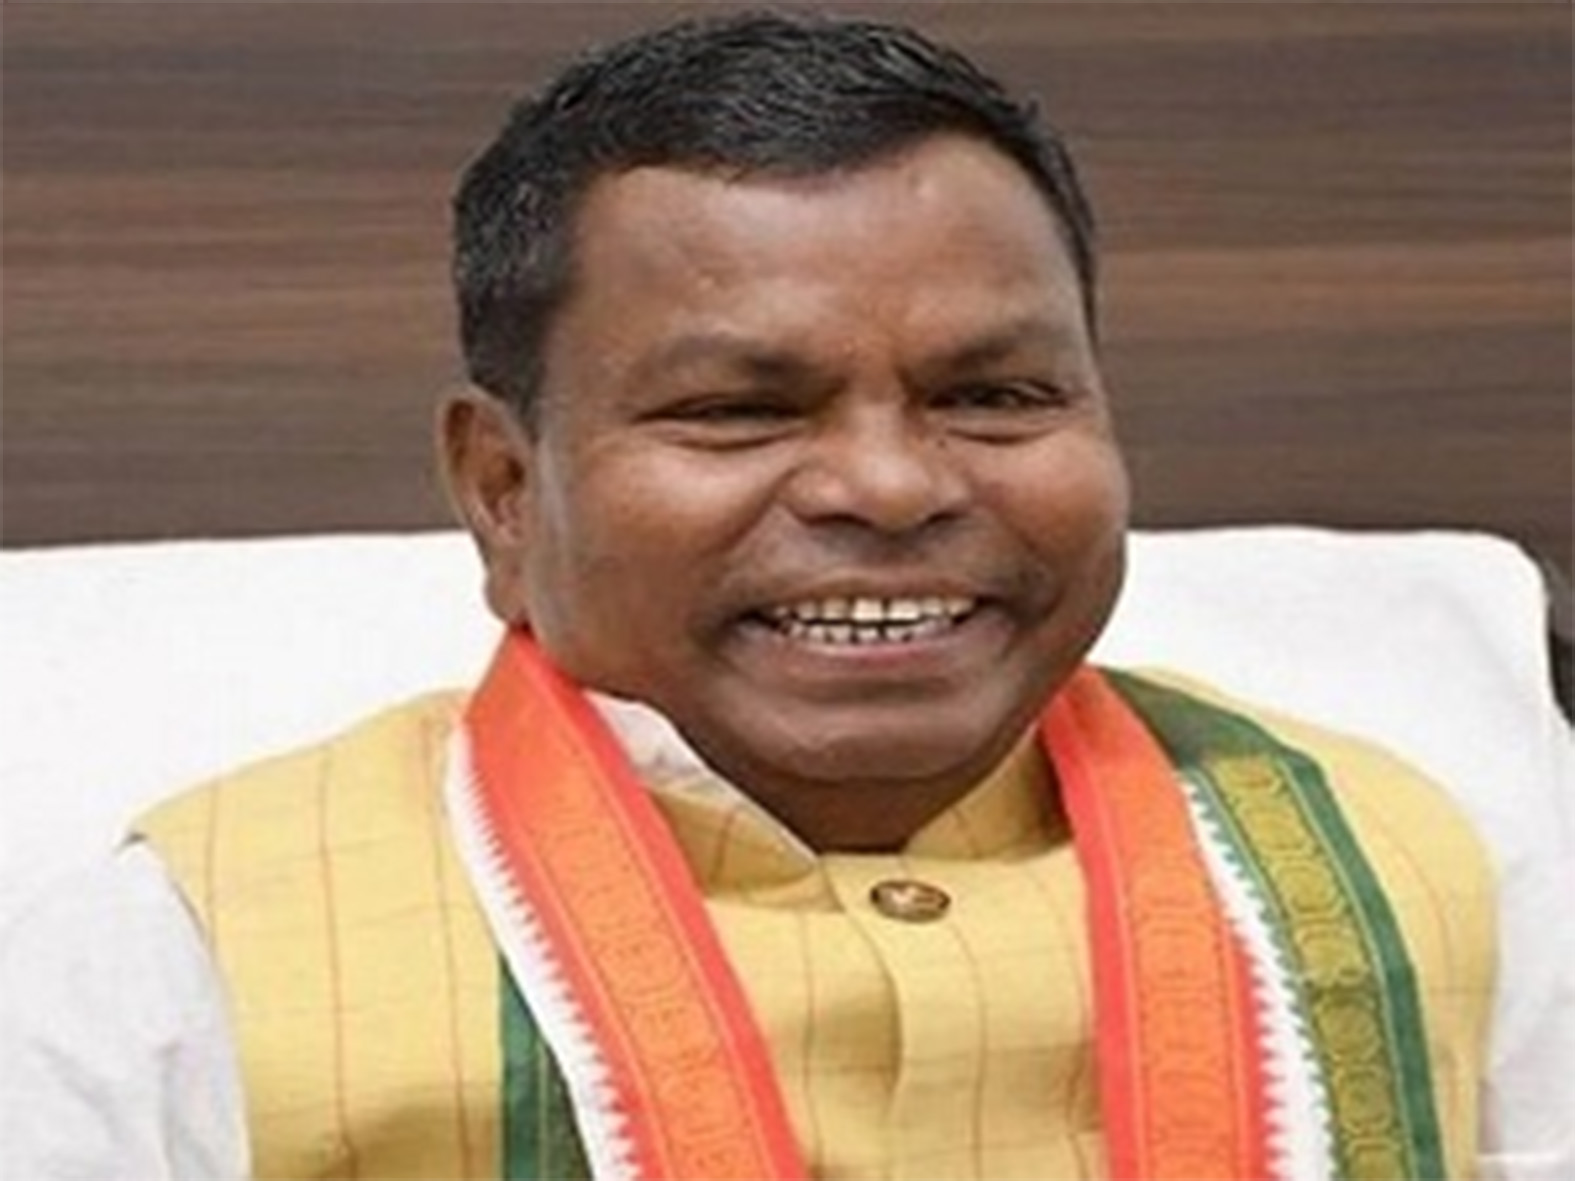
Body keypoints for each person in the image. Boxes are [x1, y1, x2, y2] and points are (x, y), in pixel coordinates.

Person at [0, 11, 1567, 1180]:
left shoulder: (1444, 873)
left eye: (996, 395)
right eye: (738, 411)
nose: (890, 485)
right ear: (503, 488)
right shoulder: (169, 966)